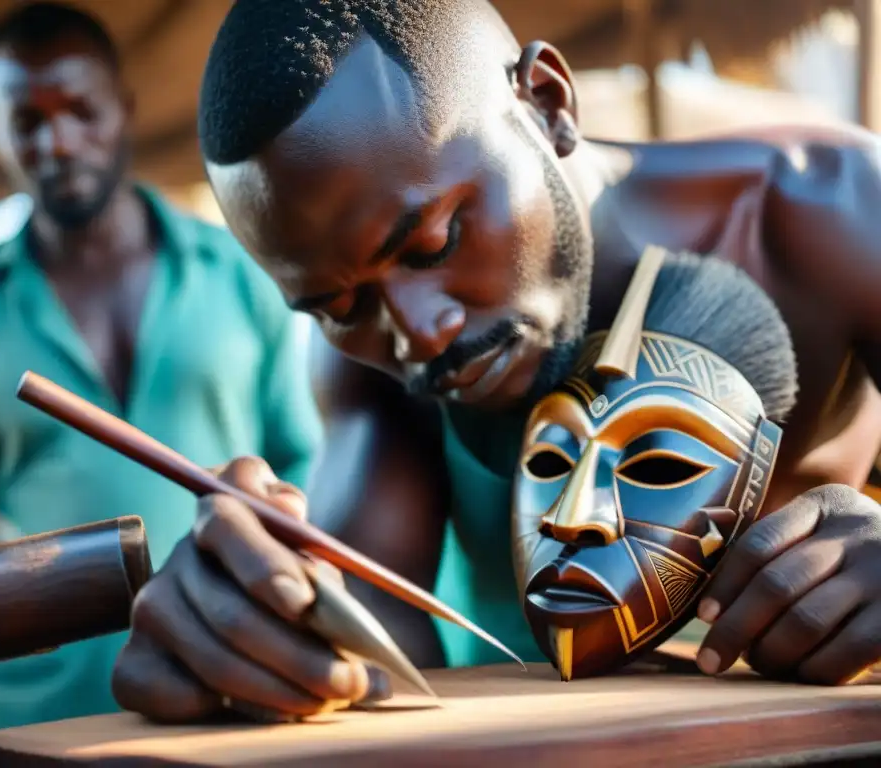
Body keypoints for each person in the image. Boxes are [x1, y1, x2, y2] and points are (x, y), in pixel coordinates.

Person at [111, 0, 881, 721]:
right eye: (338, 308)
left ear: (547, 104)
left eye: (434, 242)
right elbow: (371, 634)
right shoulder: (363, 362)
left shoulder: (830, 213)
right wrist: (264, 626)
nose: (419, 335)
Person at [0, 2, 321, 735]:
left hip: (221, 682)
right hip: (27, 713)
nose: (57, 141)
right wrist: (3, 608)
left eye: (80, 110)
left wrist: (272, 597)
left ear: (122, 109)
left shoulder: (239, 274)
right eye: (25, 120)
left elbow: (305, 458)